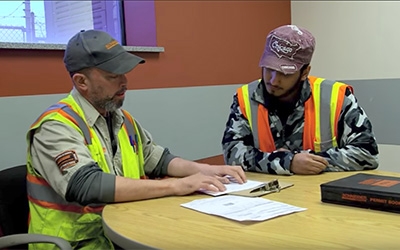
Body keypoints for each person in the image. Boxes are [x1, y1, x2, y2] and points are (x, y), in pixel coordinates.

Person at [26, 29, 246, 250]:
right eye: (113, 76)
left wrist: (204, 170)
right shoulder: (55, 126)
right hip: (76, 244)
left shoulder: (121, 119)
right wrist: (178, 185)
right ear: (82, 81)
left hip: (120, 233)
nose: (124, 82)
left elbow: (157, 159)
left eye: (124, 73)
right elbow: (87, 185)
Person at [221, 24, 379, 176]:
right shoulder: (245, 97)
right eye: (269, 68)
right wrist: (287, 162)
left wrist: (307, 161)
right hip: (264, 197)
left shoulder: (336, 96)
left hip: (318, 196)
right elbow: (233, 155)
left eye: (285, 73)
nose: (274, 81)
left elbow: (367, 153)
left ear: (305, 72)